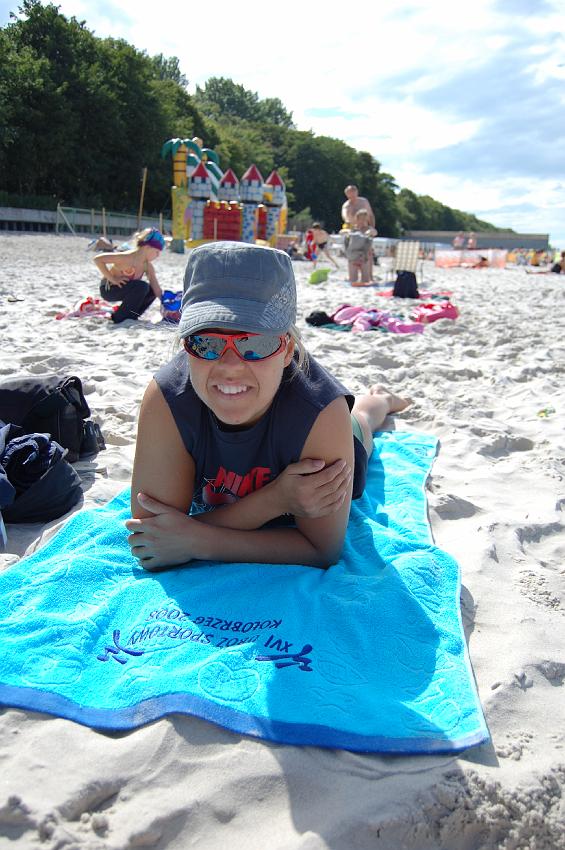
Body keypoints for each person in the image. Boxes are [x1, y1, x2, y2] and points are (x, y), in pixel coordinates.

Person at [126, 241, 410, 571]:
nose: (230, 366)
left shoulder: (320, 410)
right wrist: (274, 499)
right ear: (186, 344)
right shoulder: (168, 397)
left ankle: (382, 399)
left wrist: (196, 540)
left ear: (287, 350)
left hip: (341, 431)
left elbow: (321, 549)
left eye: (256, 343)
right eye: (206, 342)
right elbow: (151, 538)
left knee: (361, 418)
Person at [93, 227, 164, 323]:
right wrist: (113, 279)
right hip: (109, 289)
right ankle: (118, 317)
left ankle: (132, 316)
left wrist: (165, 302)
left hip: (124, 289)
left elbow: (156, 288)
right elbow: (98, 259)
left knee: (151, 290)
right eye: (157, 252)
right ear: (147, 247)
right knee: (142, 286)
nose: (158, 255)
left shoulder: (147, 266)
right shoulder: (126, 257)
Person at [344, 209, 377, 284]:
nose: (362, 221)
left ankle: (369, 277)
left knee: (365, 280)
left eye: (364, 219)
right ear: (357, 219)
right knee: (353, 280)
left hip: (365, 256)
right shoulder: (353, 229)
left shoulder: (369, 229)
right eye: (361, 219)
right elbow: (343, 232)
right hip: (353, 255)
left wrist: (370, 232)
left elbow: (374, 232)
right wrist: (347, 232)